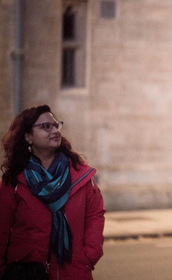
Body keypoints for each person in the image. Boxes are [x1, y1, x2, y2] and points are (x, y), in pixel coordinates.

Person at [0, 105, 105, 280]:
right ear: (28, 137)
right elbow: (1, 227)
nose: (55, 130)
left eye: (56, 125)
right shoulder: (15, 180)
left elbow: (95, 214)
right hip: (27, 272)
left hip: (74, 271)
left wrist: (89, 254)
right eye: (46, 126)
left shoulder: (80, 174)